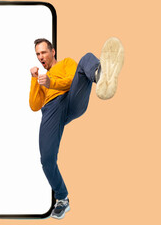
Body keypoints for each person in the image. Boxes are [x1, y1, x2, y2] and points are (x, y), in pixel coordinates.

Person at [29, 37, 124, 219]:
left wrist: (51, 83)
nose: (40, 57)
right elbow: (34, 105)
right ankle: (62, 200)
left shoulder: (66, 63)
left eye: (43, 52)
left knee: (86, 58)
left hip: (72, 98)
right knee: (46, 159)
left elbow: (72, 81)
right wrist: (35, 80)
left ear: (53, 51)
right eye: (37, 54)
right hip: (51, 109)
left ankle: (101, 75)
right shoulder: (41, 79)